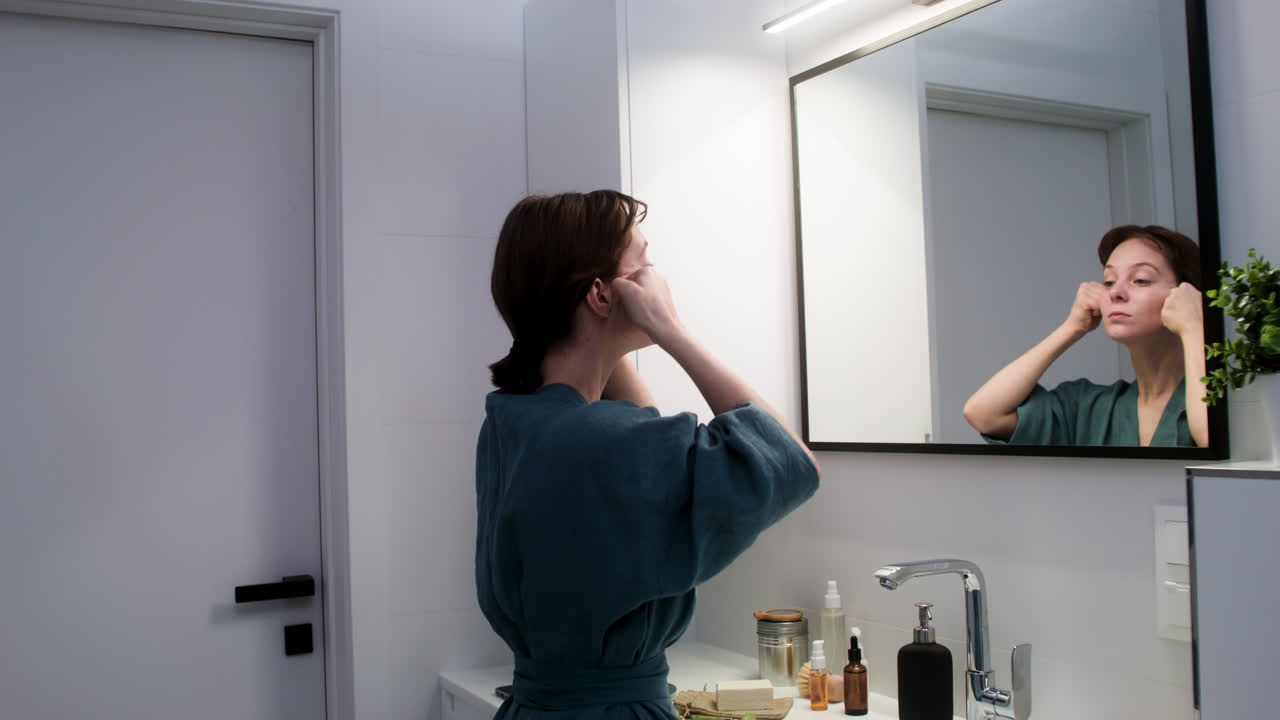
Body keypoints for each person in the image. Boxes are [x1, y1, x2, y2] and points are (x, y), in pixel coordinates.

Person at [475, 190, 821, 720]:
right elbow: (789, 463)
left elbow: (638, 425)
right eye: (646, 263)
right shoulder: (606, 439)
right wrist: (668, 327)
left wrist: (600, 333)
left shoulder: (513, 422)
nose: (659, 279)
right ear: (601, 294)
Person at [962, 224, 1208, 447]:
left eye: (1141, 280)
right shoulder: (1086, 407)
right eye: (1109, 281)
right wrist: (1073, 327)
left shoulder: (1228, 398)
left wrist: (1194, 326)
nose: (1115, 293)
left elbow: (1209, 437)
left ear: (1187, 294)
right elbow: (983, 413)